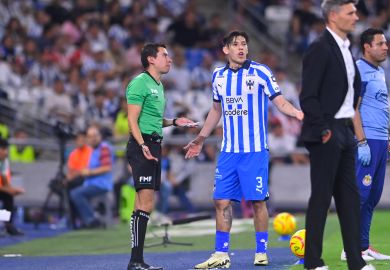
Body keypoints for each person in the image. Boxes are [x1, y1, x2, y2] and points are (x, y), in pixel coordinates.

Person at [184, 31, 303, 269]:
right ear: (225, 49)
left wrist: (298, 113)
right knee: (221, 201)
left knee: (258, 202)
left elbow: (279, 101)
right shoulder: (218, 76)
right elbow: (216, 110)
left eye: (244, 44)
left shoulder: (260, 72)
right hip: (229, 151)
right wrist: (200, 138)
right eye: (235, 44)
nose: (241, 48)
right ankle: (221, 254)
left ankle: (261, 251)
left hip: (255, 150)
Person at [299, 1, 375, 270]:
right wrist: (323, 130)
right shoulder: (319, 49)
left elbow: (350, 94)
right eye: (350, 12)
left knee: (349, 199)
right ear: (333, 16)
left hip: (344, 130)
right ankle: (313, 262)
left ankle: (357, 262)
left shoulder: (346, 48)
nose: (356, 17)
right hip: (327, 132)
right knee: (321, 198)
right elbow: (308, 96)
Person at [125, 43, 197, 270]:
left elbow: (155, 121)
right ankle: (136, 261)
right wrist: (142, 145)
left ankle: (136, 260)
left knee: (142, 204)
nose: (170, 59)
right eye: (165, 55)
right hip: (143, 145)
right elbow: (132, 120)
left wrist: (175, 121)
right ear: (151, 59)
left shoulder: (158, 85)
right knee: (146, 203)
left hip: (154, 145)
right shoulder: (139, 83)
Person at [339, 28, 390, 262]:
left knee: (372, 196)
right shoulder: (359, 70)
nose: (385, 47)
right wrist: (362, 142)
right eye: (380, 43)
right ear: (367, 47)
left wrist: (387, 141)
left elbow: (378, 108)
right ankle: (349, 248)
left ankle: (363, 246)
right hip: (366, 140)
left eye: (386, 43)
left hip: (379, 140)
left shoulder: (379, 72)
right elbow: (353, 109)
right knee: (359, 195)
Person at [69, 125, 113, 229]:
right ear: (87, 139)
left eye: (95, 135)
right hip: (90, 183)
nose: (93, 138)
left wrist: (89, 172)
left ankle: (92, 220)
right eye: (90, 136)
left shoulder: (104, 148)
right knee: (72, 189)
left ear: (100, 136)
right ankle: (79, 222)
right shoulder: (92, 150)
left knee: (76, 194)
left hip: (101, 184)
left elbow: (107, 167)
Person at [0, 138, 25, 236]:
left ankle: (7, 225)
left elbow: (5, 181)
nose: (6, 152)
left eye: (6, 149)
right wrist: (11, 190)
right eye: (3, 149)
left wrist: (12, 190)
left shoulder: (4, 162)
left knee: (8, 197)